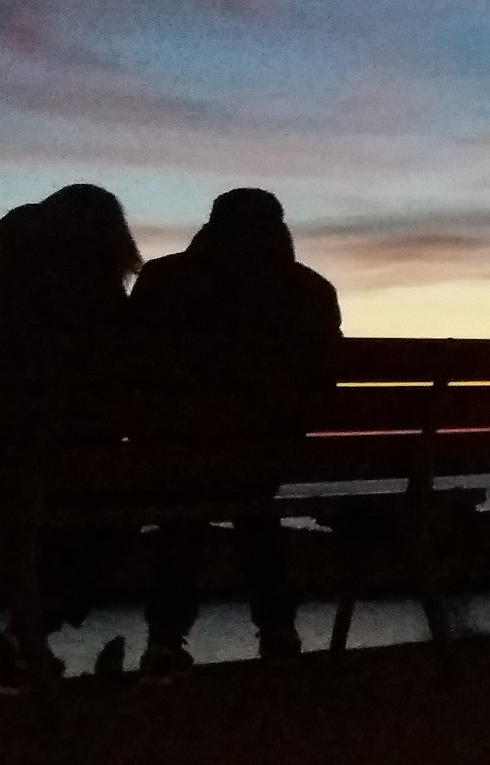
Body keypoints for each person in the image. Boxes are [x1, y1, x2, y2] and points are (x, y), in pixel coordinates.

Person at [127, 188, 339, 673]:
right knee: (255, 506)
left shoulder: (164, 279)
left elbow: (129, 368)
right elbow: (323, 381)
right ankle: (278, 628)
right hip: (268, 452)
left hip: (178, 448)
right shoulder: (310, 290)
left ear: (211, 224)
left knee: (181, 514)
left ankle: (165, 638)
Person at [0, 184, 141, 686]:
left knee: (75, 514)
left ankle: (25, 642)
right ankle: (25, 637)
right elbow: (111, 389)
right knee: (114, 517)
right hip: (55, 468)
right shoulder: (92, 286)